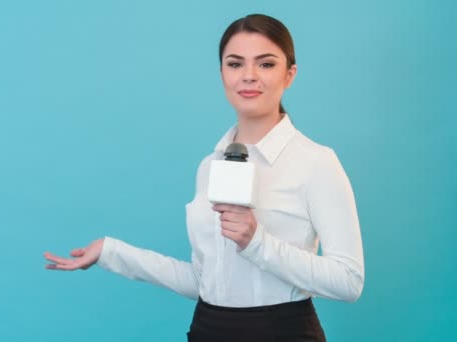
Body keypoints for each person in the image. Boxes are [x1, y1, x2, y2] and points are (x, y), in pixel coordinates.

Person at [44, 13, 364, 342]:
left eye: (266, 64)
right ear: (222, 73)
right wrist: (111, 252)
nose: (249, 76)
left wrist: (257, 244)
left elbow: (349, 281)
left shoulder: (316, 162)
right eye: (235, 64)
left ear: (289, 74)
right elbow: (206, 282)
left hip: (283, 331)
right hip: (208, 330)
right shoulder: (210, 166)